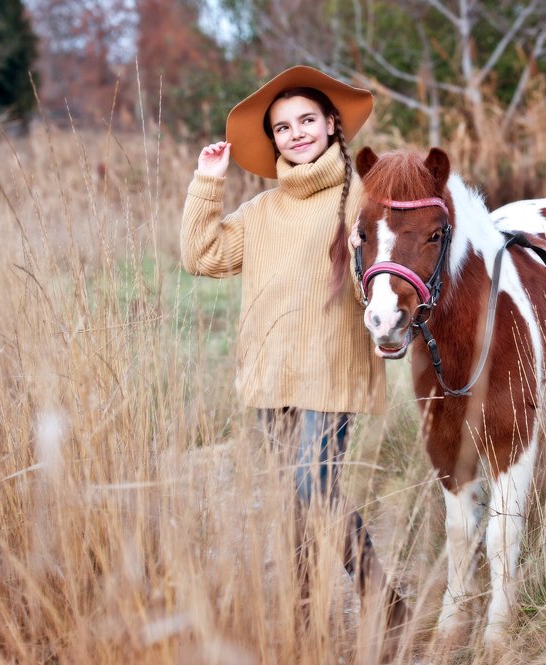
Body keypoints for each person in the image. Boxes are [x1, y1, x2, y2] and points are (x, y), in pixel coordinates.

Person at [180, 65, 407, 642]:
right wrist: (208, 180)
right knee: (296, 498)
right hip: (270, 373)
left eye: (307, 120)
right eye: (282, 128)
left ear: (332, 124)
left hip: (330, 371)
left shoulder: (363, 195)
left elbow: (399, 256)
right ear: (273, 140)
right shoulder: (261, 211)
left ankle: (382, 597)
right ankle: (304, 614)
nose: (296, 133)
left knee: (314, 491)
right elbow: (201, 256)